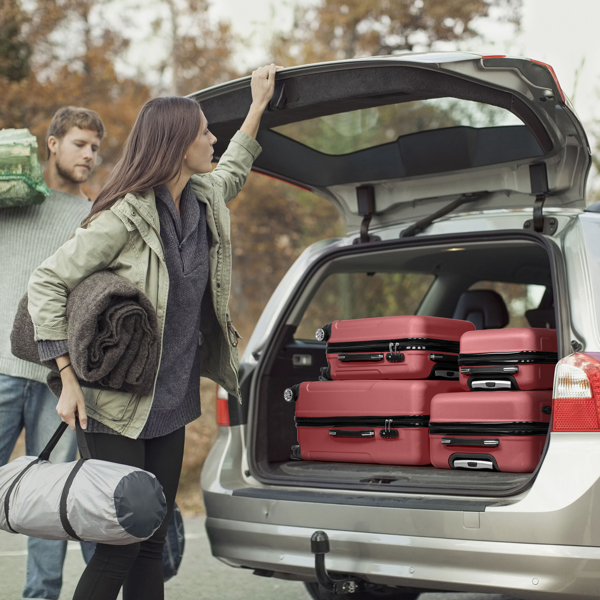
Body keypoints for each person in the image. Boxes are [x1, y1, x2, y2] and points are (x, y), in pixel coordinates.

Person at [26, 63, 280, 600]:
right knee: (119, 543)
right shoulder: (123, 216)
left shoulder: (203, 198)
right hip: (113, 406)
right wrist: (66, 380)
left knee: (151, 538)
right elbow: (45, 282)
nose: (213, 138)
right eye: (205, 131)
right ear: (176, 144)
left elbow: (233, 171)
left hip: (171, 403)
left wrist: (258, 108)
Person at [0, 106, 105, 600]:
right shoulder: (11, 199)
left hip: (54, 377)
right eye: (81, 144)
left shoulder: (92, 216)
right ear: (53, 143)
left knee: (48, 501)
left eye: (95, 148)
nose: (90, 155)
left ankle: (39, 597)